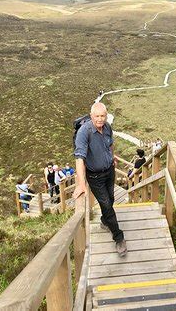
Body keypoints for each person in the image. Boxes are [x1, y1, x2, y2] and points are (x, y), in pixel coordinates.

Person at [73, 102, 127, 257]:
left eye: (102, 116)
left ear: (106, 115)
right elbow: (79, 158)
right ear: (91, 116)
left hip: (109, 171)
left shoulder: (107, 127)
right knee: (106, 205)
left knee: (110, 199)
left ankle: (105, 220)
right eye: (97, 116)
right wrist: (82, 184)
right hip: (95, 176)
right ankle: (119, 237)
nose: (100, 119)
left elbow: (110, 144)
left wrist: (112, 157)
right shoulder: (84, 132)